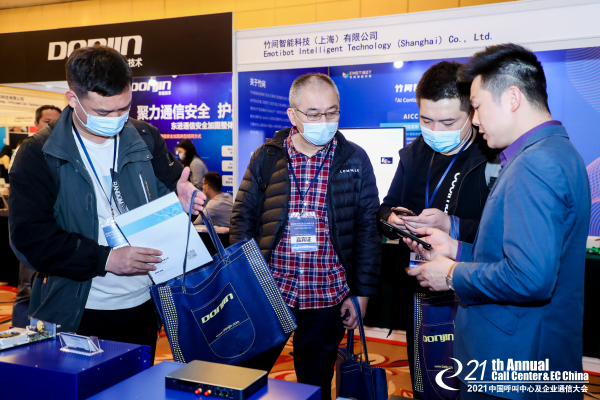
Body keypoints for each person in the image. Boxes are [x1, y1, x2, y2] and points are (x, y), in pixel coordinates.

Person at [405, 43, 591, 399]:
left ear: (512, 98)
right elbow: (526, 258)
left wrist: (451, 274)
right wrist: (456, 248)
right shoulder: (556, 151)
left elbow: (530, 279)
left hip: (514, 366)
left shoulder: (535, 164)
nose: (474, 120)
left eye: (477, 106)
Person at [8, 45, 205, 362]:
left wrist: (183, 204)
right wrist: (106, 259)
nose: (115, 119)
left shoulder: (144, 136)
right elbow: (30, 237)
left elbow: (171, 197)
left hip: (143, 306)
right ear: (73, 99)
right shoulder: (39, 153)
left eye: (123, 108)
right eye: (103, 112)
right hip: (76, 311)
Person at [230, 73, 381, 399]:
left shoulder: (354, 159)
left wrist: (362, 293)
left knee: (315, 385)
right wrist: (245, 282)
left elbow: (368, 231)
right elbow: (242, 220)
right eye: (314, 114)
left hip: (327, 296)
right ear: (293, 115)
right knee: (245, 379)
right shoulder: (266, 157)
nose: (324, 121)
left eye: (332, 112)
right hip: (270, 293)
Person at [377, 61, 500, 399]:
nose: (435, 130)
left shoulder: (492, 154)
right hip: (421, 289)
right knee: (427, 381)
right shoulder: (414, 154)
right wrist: (394, 220)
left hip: (473, 288)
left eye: (448, 122)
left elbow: (504, 233)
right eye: (426, 120)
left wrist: (451, 225)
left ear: (472, 113)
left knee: (473, 382)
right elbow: (385, 208)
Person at [10, 105, 61, 328]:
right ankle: (19, 337)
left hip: (57, 232)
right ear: (36, 123)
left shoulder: (61, 150)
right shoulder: (28, 150)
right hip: (33, 232)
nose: (53, 126)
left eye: (57, 121)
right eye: (48, 122)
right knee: (28, 289)